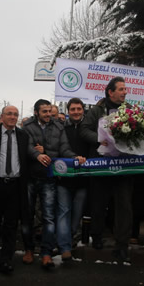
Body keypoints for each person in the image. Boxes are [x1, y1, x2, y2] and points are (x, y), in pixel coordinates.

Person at [21, 99, 85, 268]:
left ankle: (46, 253)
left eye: (50, 111)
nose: (48, 115)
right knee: (27, 216)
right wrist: (37, 154)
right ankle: (28, 249)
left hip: (48, 178)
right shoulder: (27, 127)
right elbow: (25, 146)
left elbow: (63, 148)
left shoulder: (58, 127)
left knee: (49, 217)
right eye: (44, 112)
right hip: (29, 177)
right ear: (36, 112)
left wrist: (73, 157)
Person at [80, 76, 133, 263]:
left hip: (123, 166)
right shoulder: (96, 110)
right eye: (121, 89)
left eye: (125, 89)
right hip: (101, 165)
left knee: (124, 205)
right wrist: (99, 138)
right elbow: (84, 130)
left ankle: (122, 245)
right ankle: (97, 237)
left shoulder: (129, 111)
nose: (125, 92)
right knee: (98, 203)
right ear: (110, 92)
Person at [0, 105, 29, 274]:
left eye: (15, 114)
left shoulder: (23, 135)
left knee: (11, 223)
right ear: (2, 117)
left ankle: (6, 258)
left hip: (15, 185)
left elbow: (27, 155)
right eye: (9, 114)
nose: (12, 117)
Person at [56, 98, 89, 260]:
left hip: (83, 180)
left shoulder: (89, 127)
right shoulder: (61, 128)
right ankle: (65, 248)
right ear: (68, 111)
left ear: (83, 110)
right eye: (73, 109)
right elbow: (60, 148)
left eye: (79, 109)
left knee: (76, 216)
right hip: (64, 179)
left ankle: (68, 238)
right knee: (63, 213)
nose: (76, 112)